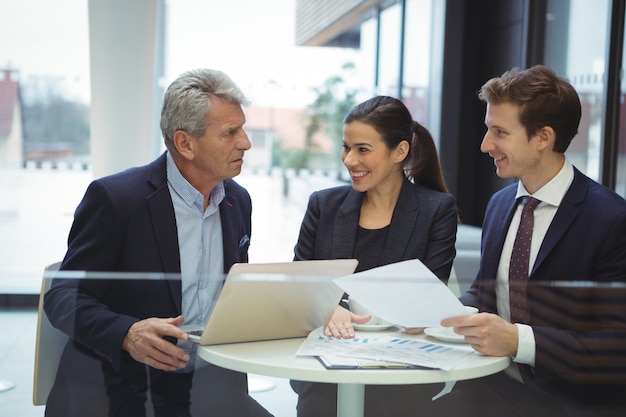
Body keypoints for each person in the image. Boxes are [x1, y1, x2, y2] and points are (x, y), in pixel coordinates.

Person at [44, 69, 273, 417]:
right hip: (124, 388)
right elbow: (61, 297)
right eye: (230, 133)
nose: (245, 142)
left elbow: (228, 293)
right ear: (185, 143)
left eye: (241, 129)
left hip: (207, 384)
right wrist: (127, 333)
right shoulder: (116, 199)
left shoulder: (237, 201)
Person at [424, 65, 626, 417]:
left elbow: (617, 345)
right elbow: (487, 295)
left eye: (500, 132)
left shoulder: (611, 219)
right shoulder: (500, 204)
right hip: (490, 385)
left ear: (543, 138)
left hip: (569, 403)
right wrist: (442, 312)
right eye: (489, 129)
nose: (486, 145)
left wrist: (520, 341)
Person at [290, 95, 459, 417]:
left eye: (363, 149)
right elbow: (300, 287)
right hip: (324, 378)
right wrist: (325, 308)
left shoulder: (436, 211)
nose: (349, 160)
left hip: (398, 381)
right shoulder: (323, 206)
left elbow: (425, 300)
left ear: (400, 151)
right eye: (346, 147)